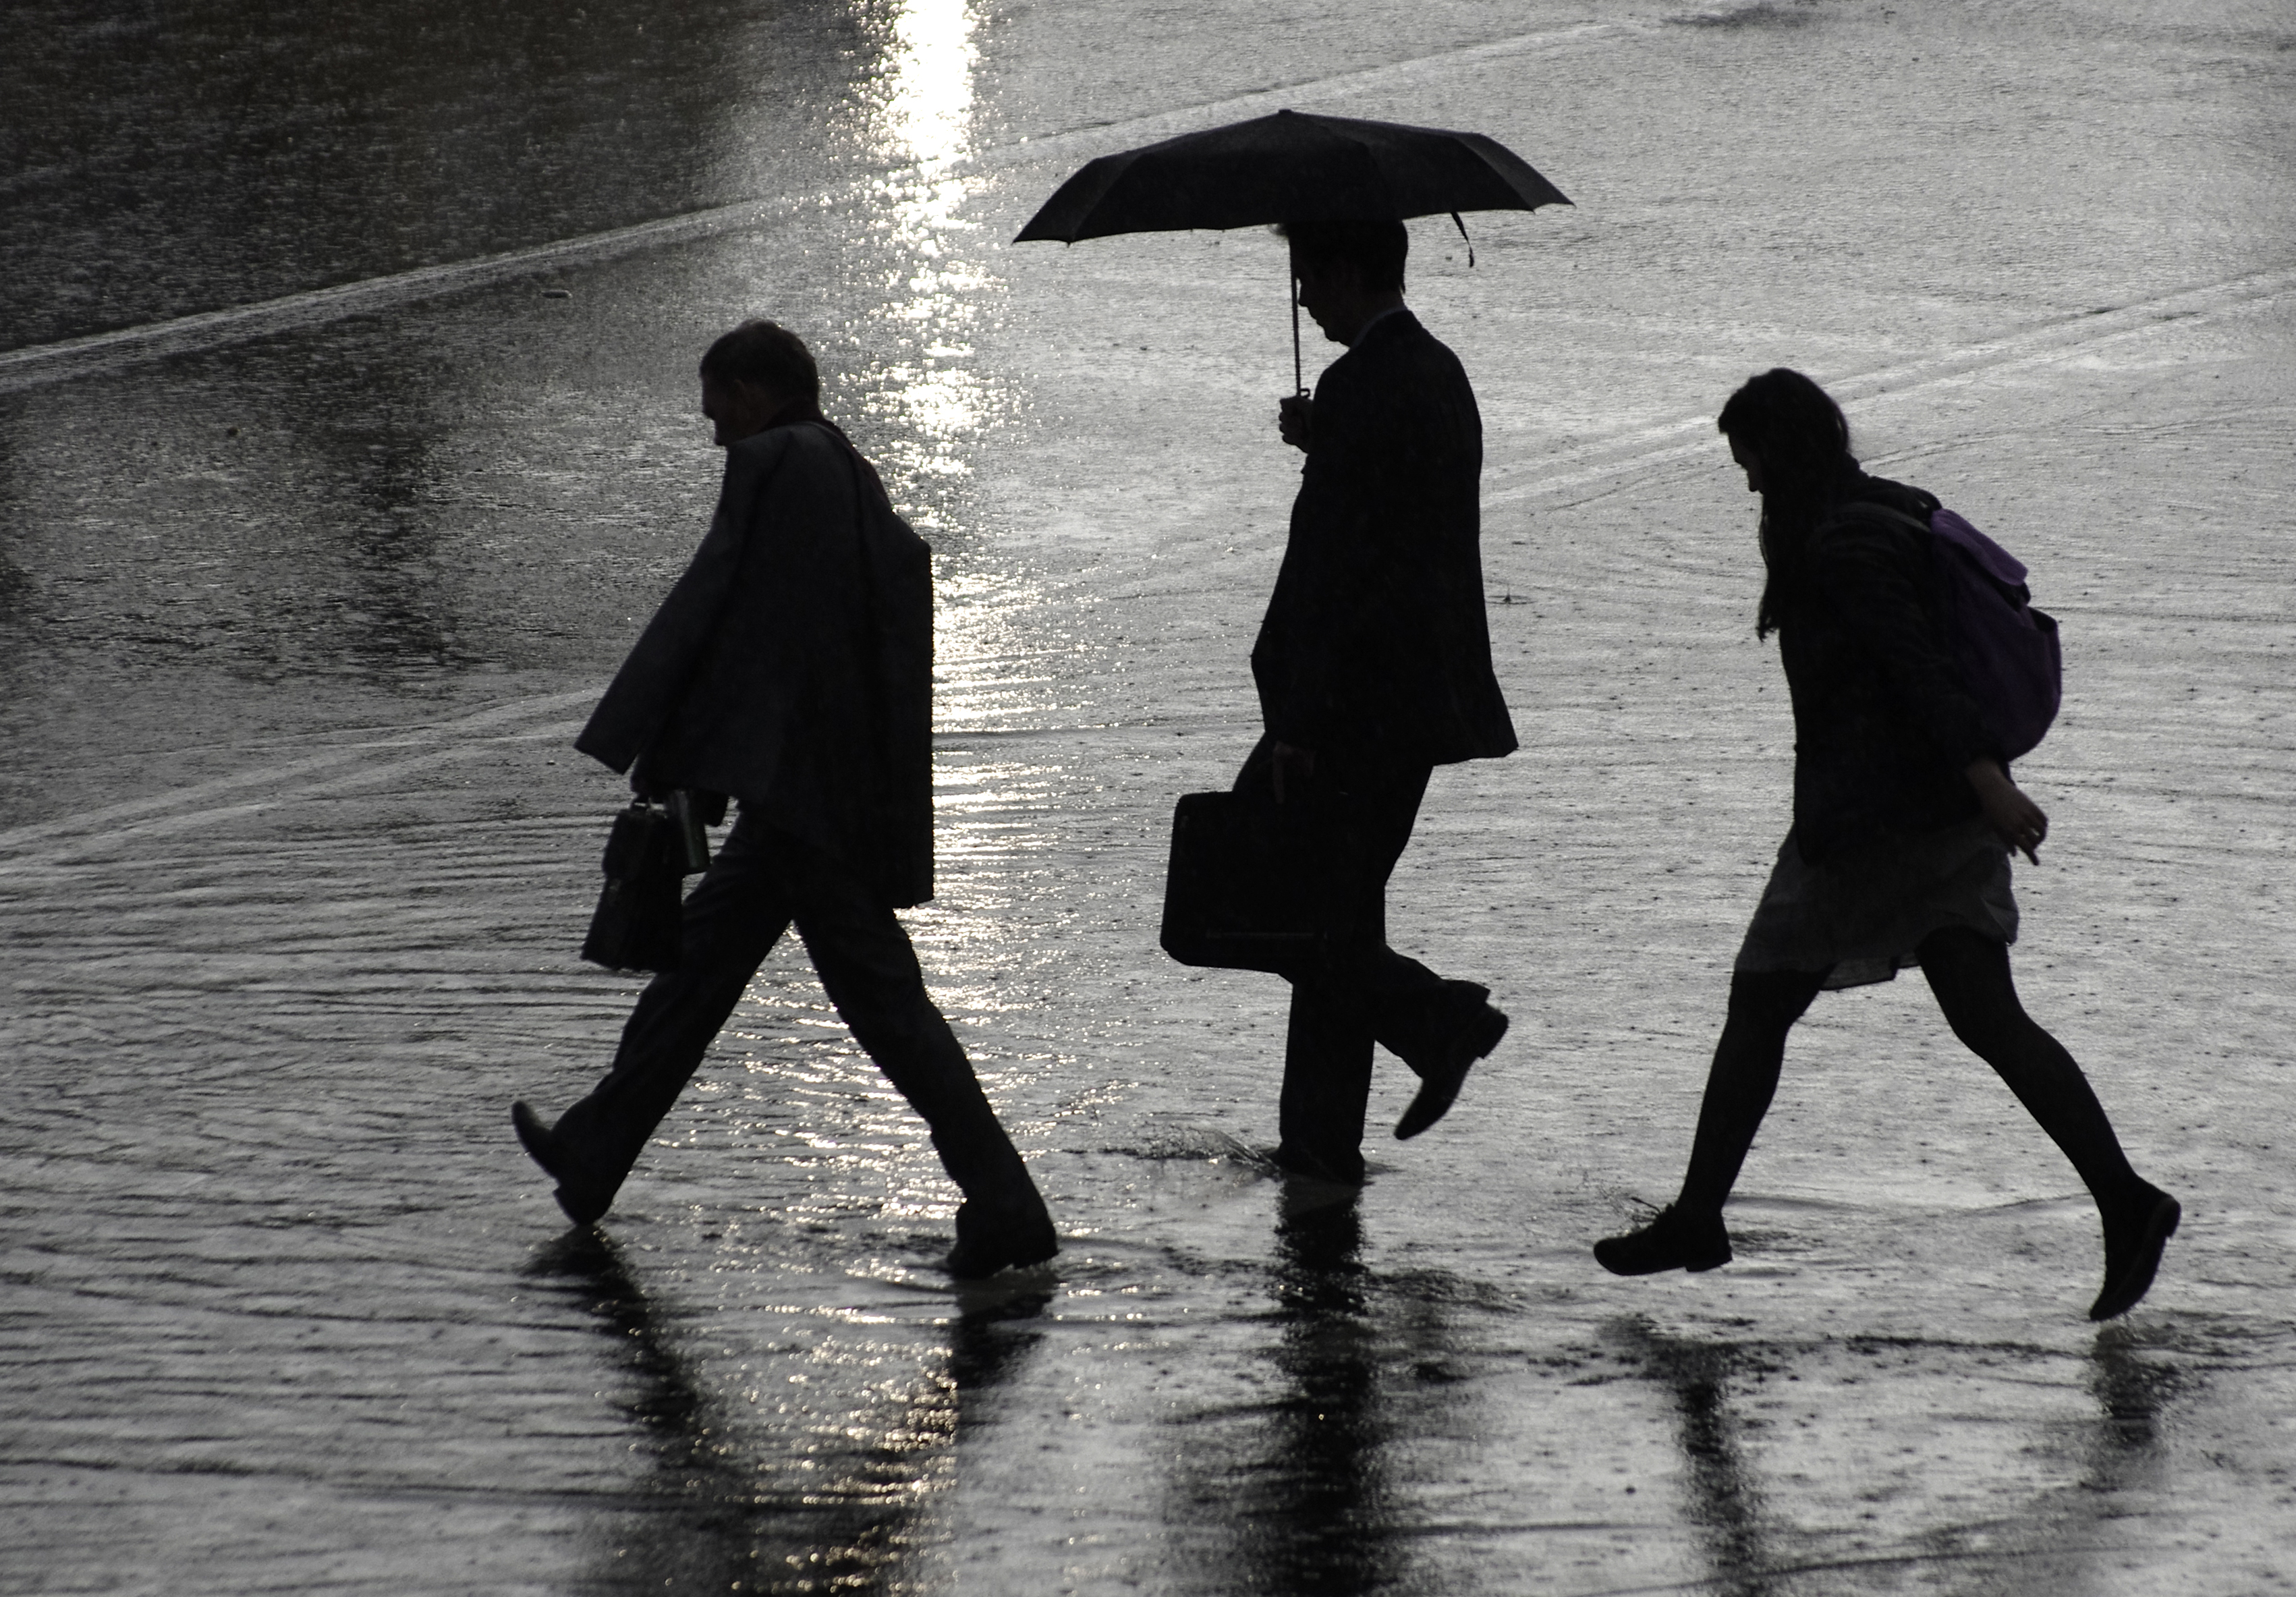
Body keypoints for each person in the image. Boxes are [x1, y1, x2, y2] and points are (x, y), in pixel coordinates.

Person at [1593, 368, 2178, 1320]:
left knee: (1760, 1002)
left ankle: (1700, 1216)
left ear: (1781, 454)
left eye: (1749, 464)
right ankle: (2125, 1199)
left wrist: (1989, 779)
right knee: (1986, 1017)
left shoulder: (1845, 545)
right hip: (1934, 812)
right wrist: (1977, 786)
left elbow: (1913, 666)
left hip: (1877, 822)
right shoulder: (1886, 511)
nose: (1746, 485)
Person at [511, 320, 1057, 1280]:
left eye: (716, 394)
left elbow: (722, 613)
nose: (708, 419)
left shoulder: (770, 464)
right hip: (819, 791)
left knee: (884, 1009)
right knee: (700, 975)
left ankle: (1007, 1203)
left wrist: (676, 749)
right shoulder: (843, 466)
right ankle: (595, 1151)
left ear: (759, 393)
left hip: (801, 804)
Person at [1238, 218, 1517, 1185]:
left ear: (1349, 267)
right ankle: (1319, 1148)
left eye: (1310, 272)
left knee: (1276, 905)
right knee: (1335, 913)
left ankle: (1437, 1020)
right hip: (1420, 698)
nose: (1305, 295)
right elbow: (1405, 517)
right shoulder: (1439, 371)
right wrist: (1328, 442)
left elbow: (1329, 570)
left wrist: (1295, 719)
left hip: (1351, 705)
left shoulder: (1363, 386)